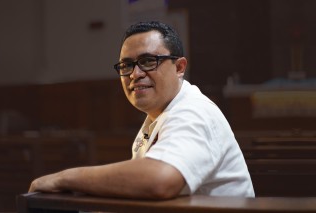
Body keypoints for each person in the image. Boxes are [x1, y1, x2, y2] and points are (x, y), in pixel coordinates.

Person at [29, 21, 255, 199]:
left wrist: (65, 178)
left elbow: (160, 180)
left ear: (179, 67)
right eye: (126, 65)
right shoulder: (156, 117)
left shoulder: (194, 111)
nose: (135, 74)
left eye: (148, 61)